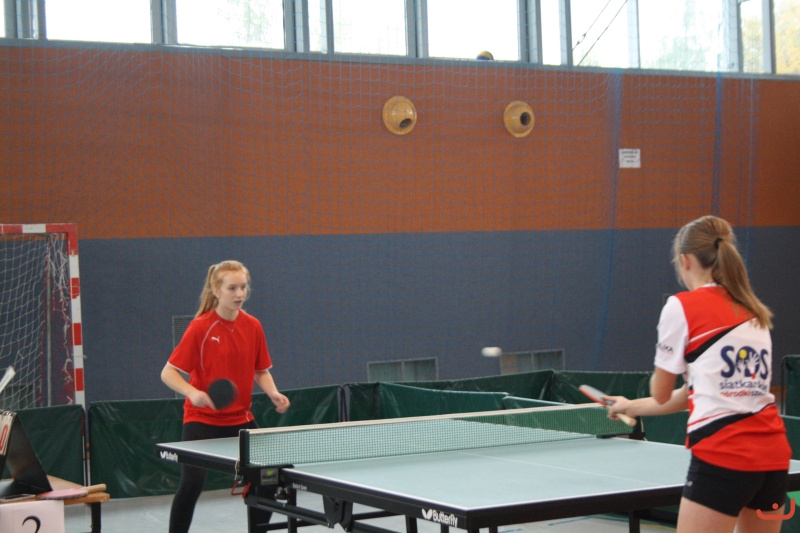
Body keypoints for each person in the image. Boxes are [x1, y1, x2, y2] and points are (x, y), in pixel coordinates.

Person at [606, 215, 791, 533]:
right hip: (773, 460)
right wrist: (630, 406)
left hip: (724, 456)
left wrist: (663, 365)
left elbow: (661, 392)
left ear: (685, 260)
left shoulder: (681, 306)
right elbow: (691, 395)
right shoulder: (753, 309)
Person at [161, 260, 290, 533]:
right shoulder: (200, 327)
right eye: (232, 288)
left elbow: (260, 370)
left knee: (269, 477)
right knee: (192, 484)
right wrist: (192, 392)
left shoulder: (253, 326)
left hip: (240, 419)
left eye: (243, 287)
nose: (239, 294)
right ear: (216, 290)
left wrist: (273, 392)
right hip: (201, 420)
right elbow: (168, 373)